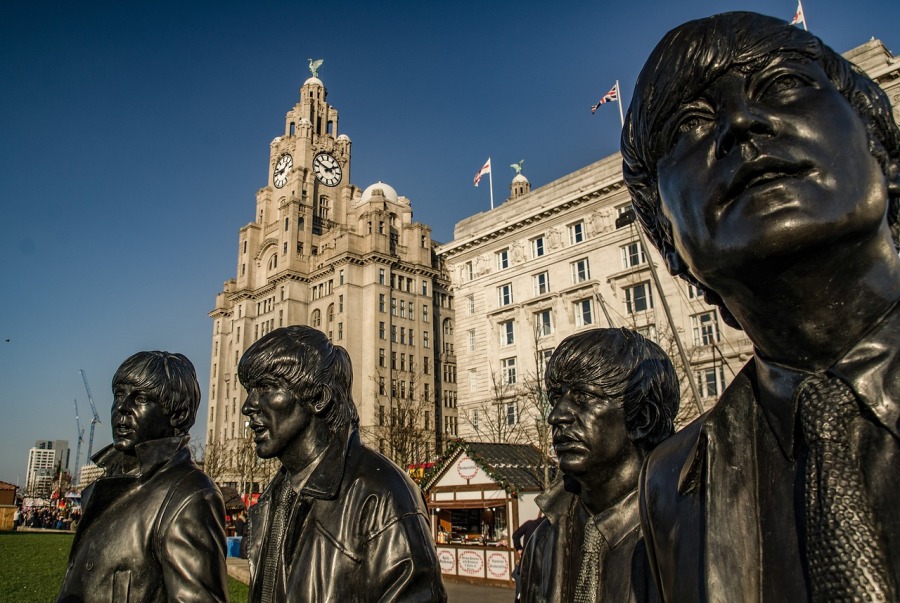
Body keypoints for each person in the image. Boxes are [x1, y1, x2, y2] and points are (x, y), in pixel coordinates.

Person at [621, 12, 900, 601]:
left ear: (883, 149)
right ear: (666, 240)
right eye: (689, 125)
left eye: (782, 84)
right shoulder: (671, 481)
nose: (741, 124)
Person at [238, 325, 446, 602]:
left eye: (265, 388)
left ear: (319, 398)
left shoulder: (383, 494)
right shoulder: (274, 497)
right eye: (251, 389)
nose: (248, 406)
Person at [518, 328, 678, 602]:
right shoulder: (544, 541)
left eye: (583, 396)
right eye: (556, 398)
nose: (556, 416)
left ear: (643, 418)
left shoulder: (688, 533)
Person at [57, 351, 227, 602]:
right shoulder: (102, 487)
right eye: (119, 395)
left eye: (141, 398)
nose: (122, 408)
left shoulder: (189, 495)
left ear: (178, 414)